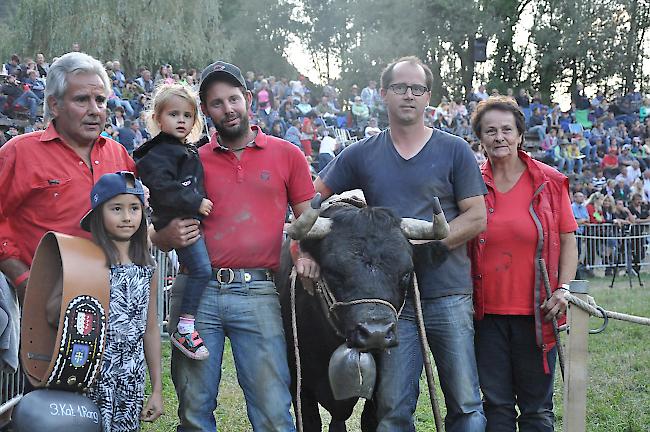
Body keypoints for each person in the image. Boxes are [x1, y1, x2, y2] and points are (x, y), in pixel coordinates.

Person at [315, 56, 487, 431]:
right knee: (392, 408)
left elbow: (476, 216)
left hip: (448, 294)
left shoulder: (455, 149)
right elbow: (310, 200)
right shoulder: (360, 153)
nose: (408, 95)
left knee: (466, 403)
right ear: (383, 95)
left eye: (417, 89)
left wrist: (427, 248)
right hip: (391, 303)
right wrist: (302, 250)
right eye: (399, 88)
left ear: (428, 97)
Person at [151, 60, 316, 431]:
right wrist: (164, 237)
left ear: (247, 100)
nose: (227, 109)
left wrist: (304, 255)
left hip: (257, 290)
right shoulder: (189, 158)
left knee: (274, 411)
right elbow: (158, 229)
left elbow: (306, 223)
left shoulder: (287, 154)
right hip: (196, 292)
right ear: (204, 112)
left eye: (233, 99)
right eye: (216, 103)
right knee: (194, 411)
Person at [468, 96, 578, 431]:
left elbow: (569, 239)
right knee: (496, 406)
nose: (499, 137)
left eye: (506, 129)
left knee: (536, 409)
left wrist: (563, 288)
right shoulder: (469, 182)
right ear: (480, 138)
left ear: (519, 134)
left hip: (539, 313)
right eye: (490, 131)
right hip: (485, 316)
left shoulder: (549, 181)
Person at [0, 51, 134, 303]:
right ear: (54, 105)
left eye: (101, 100)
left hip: (110, 298)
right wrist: (22, 278)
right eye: (82, 100)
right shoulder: (19, 152)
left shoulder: (119, 154)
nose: (95, 110)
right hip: (43, 303)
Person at [133, 83, 212, 361]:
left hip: (186, 217)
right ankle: (184, 326)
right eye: (174, 114)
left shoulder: (180, 148)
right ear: (157, 118)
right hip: (177, 219)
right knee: (202, 270)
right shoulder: (157, 153)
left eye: (187, 115)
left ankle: (185, 323)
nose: (181, 120)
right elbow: (163, 187)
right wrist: (196, 202)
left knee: (196, 269)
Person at [80, 171, 163, 432]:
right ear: (98, 213)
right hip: (90, 376)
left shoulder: (148, 268)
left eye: (134, 209)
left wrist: (157, 388)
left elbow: (150, 328)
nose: (127, 217)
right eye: (116, 208)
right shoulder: (85, 263)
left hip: (130, 378)